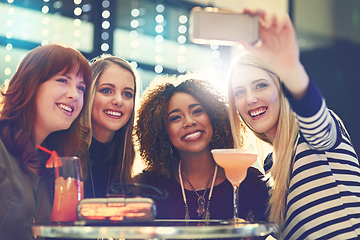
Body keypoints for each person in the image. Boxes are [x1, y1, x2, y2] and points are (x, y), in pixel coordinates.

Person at [227, 9, 360, 239]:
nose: (250, 99)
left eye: (260, 85)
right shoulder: (268, 168)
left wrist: (289, 66)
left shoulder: (309, 135)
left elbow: (310, 107)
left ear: (281, 87)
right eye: (240, 92)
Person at [134, 77, 269, 223]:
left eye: (197, 111)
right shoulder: (146, 187)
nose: (189, 122)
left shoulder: (251, 182)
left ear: (213, 116)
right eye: (175, 117)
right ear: (162, 130)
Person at [0, 43, 92, 240]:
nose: (74, 95)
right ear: (30, 83)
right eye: (62, 80)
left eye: (81, 87)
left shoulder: (53, 162)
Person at [82, 55, 137, 199]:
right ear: (89, 94)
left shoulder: (125, 155)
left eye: (127, 94)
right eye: (107, 90)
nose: (118, 101)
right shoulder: (64, 150)